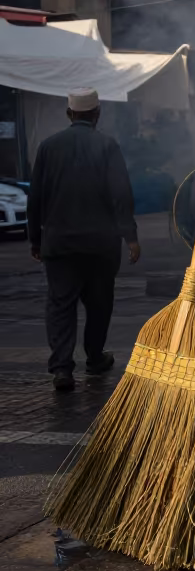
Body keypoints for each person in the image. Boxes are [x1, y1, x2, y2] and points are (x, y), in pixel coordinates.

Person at [27, 89, 140, 391]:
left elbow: (35, 197)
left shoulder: (48, 147)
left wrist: (35, 239)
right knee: (99, 304)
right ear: (97, 114)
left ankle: (62, 368)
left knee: (61, 305)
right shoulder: (108, 146)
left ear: (69, 114)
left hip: (59, 245)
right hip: (101, 246)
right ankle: (94, 358)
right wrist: (130, 237)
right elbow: (121, 195)